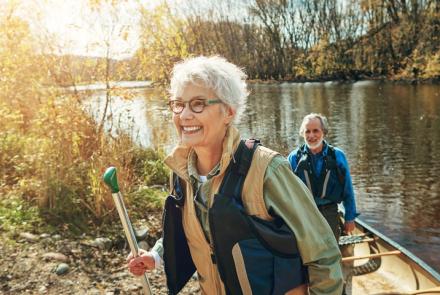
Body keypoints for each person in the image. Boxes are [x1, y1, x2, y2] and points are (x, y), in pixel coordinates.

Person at [127, 56, 343, 294]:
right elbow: (197, 234)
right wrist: (156, 255)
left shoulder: (267, 170)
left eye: (198, 103)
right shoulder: (180, 175)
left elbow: (323, 255)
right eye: (178, 104)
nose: (184, 115)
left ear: (228, 112)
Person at [287, 113, 358, 241]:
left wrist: (349, 218)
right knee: (308, 254)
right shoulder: (294, 158)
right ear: (302, 133)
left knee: (331, 254)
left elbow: (348, 190)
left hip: (329, 212)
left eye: (316, 131)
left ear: (323, 132)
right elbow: (287, 192)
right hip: (305, 214)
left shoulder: (338, 156)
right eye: (307, 131)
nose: (311, 135)